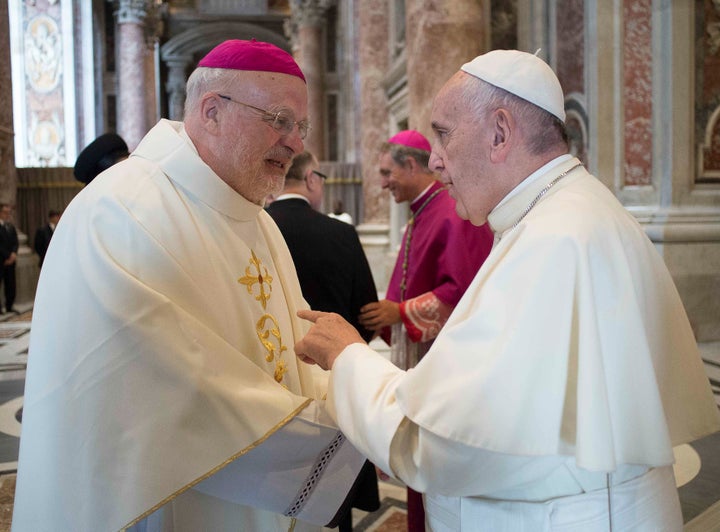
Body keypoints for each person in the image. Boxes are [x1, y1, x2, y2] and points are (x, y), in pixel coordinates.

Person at [294, 50, 720, 531]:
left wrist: (348, 356)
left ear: (499, 133)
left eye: (444, 134)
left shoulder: (553, 240)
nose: (434, 160)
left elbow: (437, 447)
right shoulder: (565, 214)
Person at [13, 39, 370, 532]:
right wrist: (354, 418)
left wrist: (354, 387)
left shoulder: (257, 220)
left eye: (300, 127)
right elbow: (173, 387)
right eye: (280, 121)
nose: (296, 143)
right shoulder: (120, 209)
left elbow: (289, 351)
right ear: (211, 111)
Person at [358, 129, 493, 529]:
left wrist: (399, 312)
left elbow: (462, 293)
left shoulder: (452, 213)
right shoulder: (423, 210)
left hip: (446, 366)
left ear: (411, 165)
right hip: (425, 360)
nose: (383, 184)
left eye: (387, 173)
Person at [266, 150, 381, 531]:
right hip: (330, 385)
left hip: (267, 388)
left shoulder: (252, 229)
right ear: (312, 178)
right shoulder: (340, 233)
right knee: (331, 495)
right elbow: (368, 314)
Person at [0, 204, 18, 314]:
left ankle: (9, 306)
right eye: (5, 212)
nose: (8, 215)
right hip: (1, 260)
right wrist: (7, 256)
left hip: (11, 261)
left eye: (9, 213)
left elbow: (15, 242)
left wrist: (14, 253)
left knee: (10, 284)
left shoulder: (10, 227)